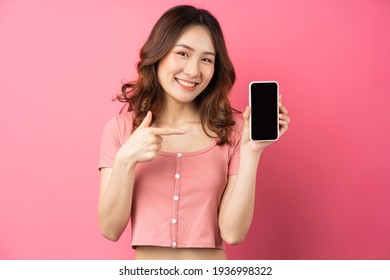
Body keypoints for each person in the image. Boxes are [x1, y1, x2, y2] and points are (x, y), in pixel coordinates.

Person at [98, 5, 290, 260]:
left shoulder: (233, 133)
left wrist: (252, 151)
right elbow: (110, 229)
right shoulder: (121, 129)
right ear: (159, 54)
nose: (193, 71)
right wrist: (126, 160)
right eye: (183, 53)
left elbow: (233, 234)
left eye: (207, 59)